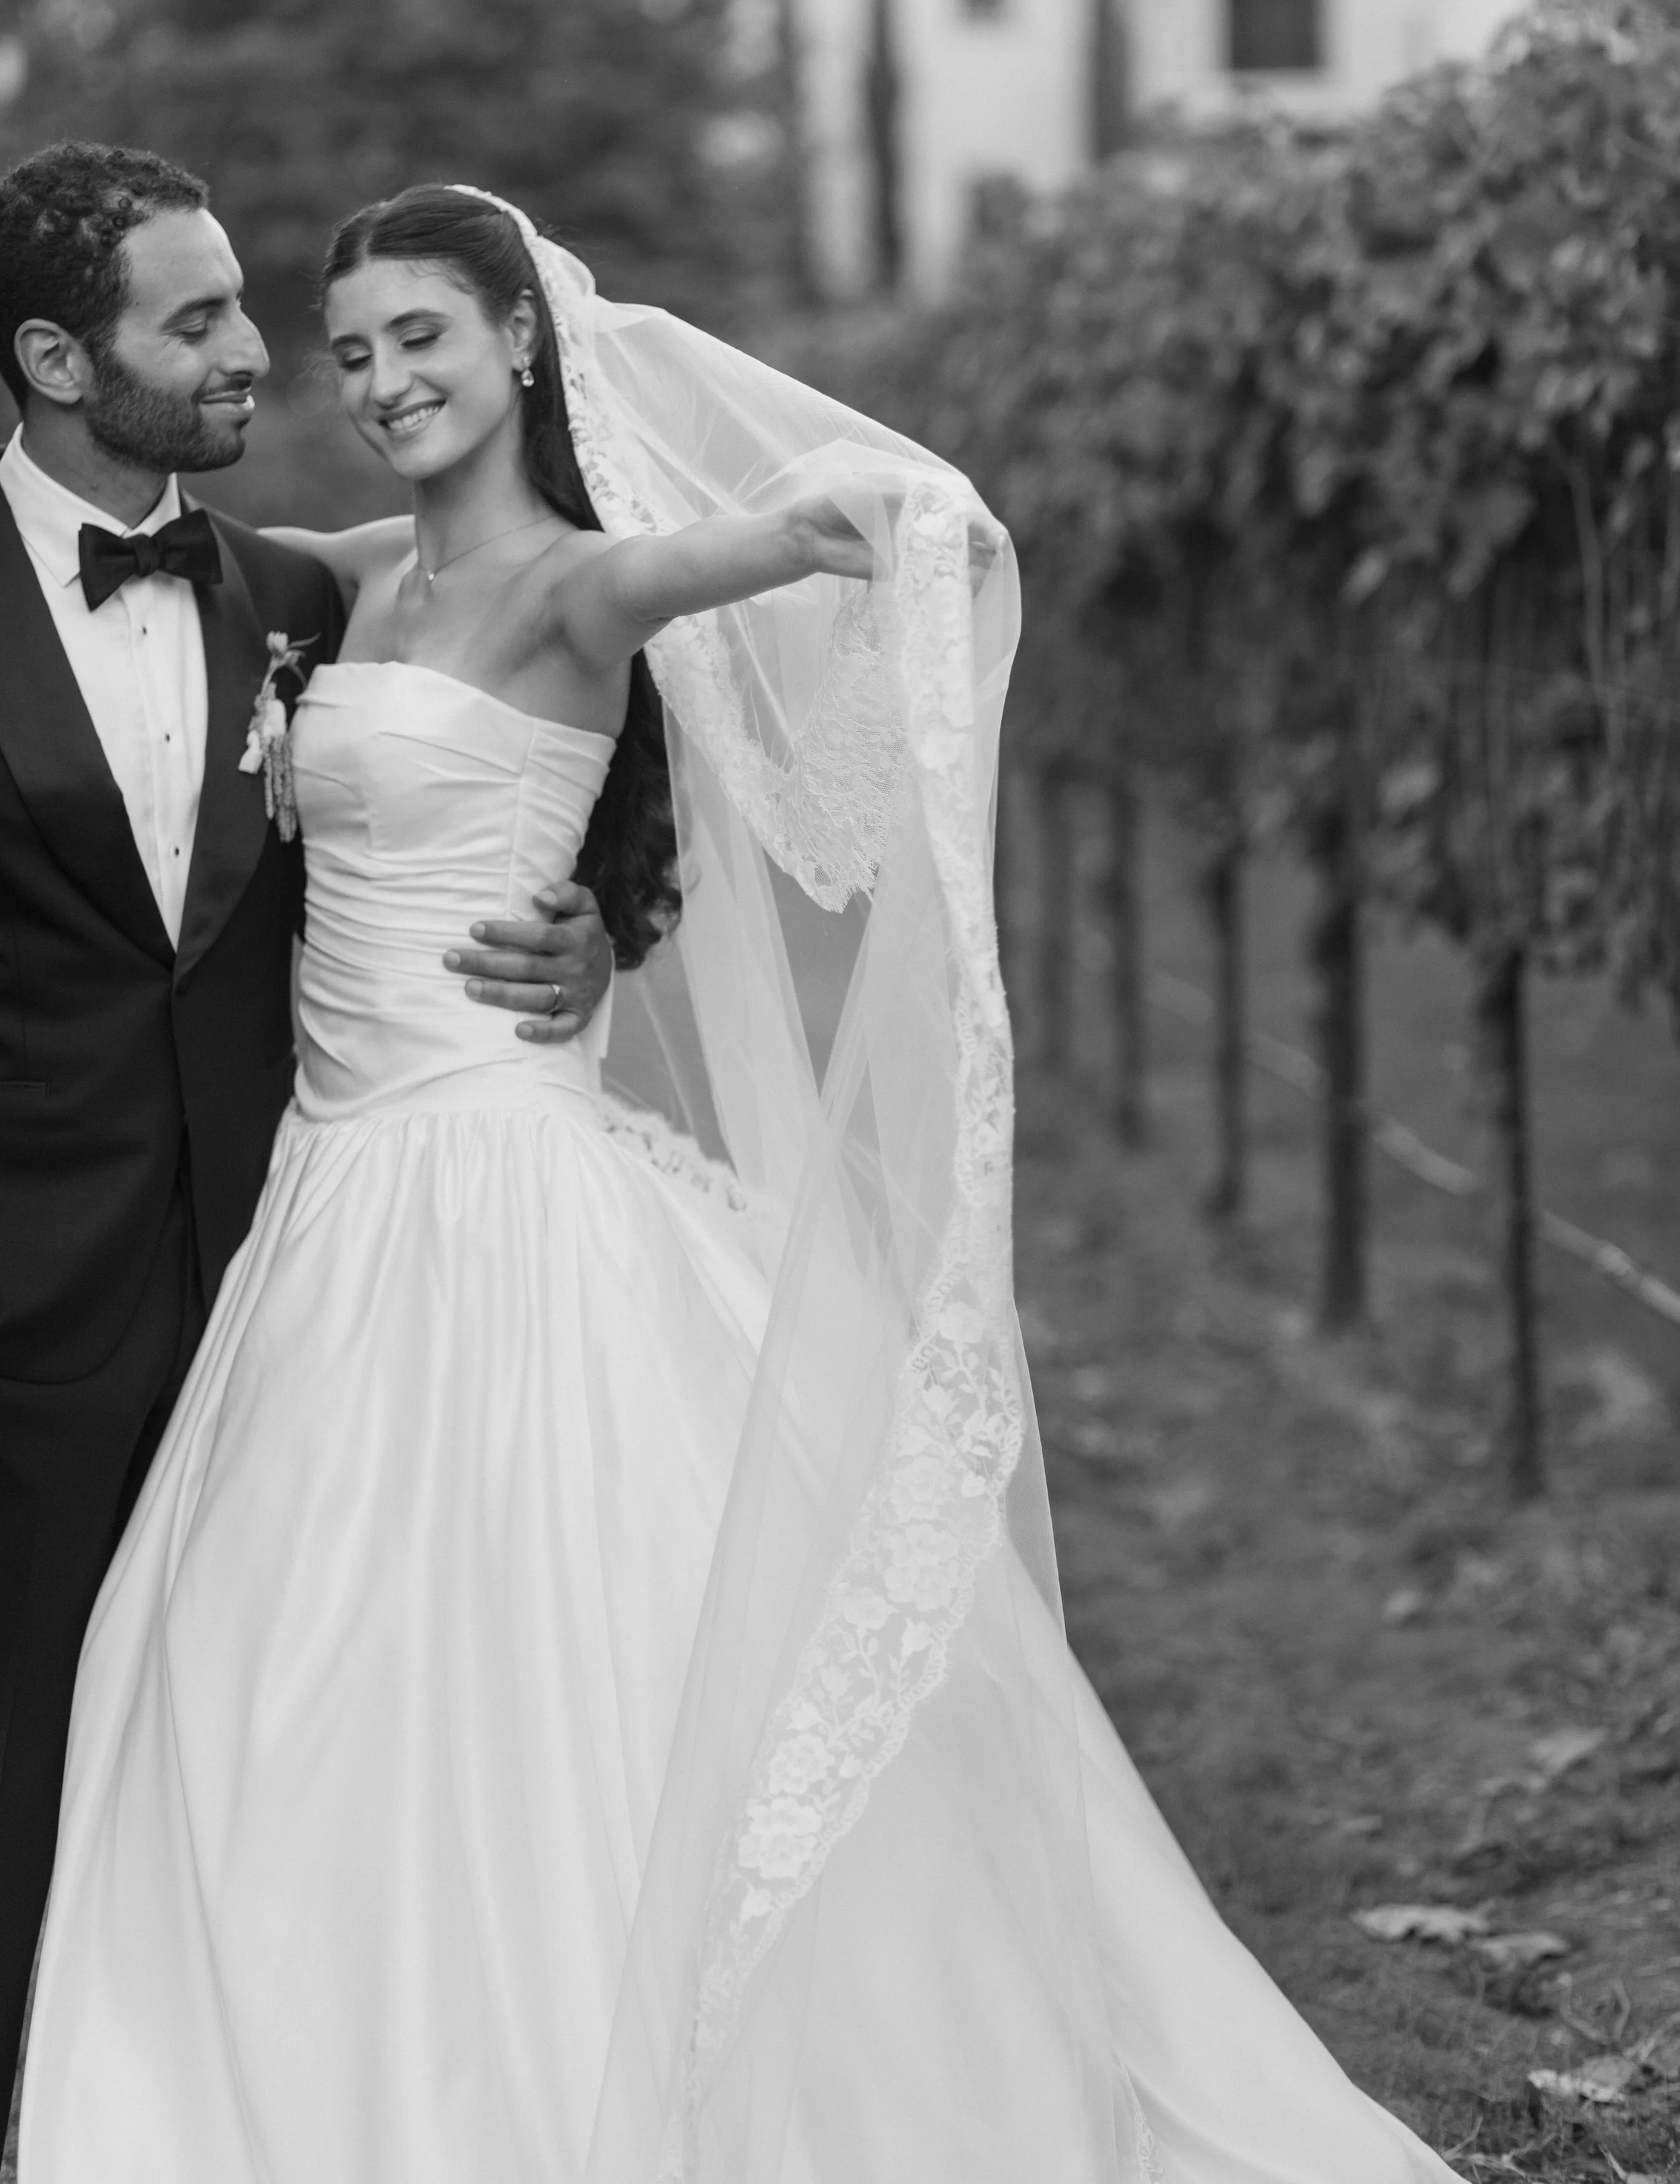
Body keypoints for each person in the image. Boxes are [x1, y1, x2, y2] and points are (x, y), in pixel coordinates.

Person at [19, 185, 1462, 2183]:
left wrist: (862, 525)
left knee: (555, 1656)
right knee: (275, 1673)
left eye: (422, 335)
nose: (376, 378)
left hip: (502, 1198)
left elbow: (804, 538)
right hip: (328, 1207)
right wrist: (603, 921)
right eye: (353, 349)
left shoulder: (579, 583)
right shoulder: (332, 583)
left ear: (526, 340)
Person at [0, 147, 614, 2124]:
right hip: (24, 1307)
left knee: (286, 1754)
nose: (255, 352)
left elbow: (455, 796)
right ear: (52, 361)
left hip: (288, 1281)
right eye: (194, 321)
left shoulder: (285, 592)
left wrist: (584, 935)